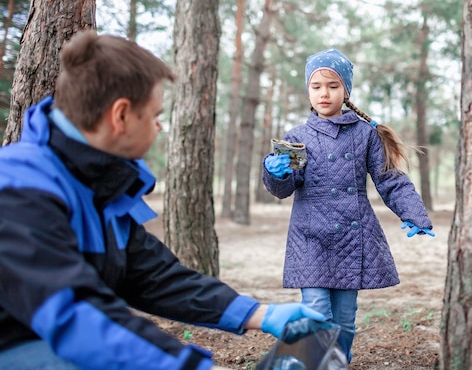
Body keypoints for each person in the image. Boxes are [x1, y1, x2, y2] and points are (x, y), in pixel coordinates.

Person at [0, 31, 325, 370]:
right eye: (155, 115)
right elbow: (74, 315)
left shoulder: (93, 184)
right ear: (121, 115)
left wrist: (259, 313)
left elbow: (152, 275)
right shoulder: (18, 188)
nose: (159, 126)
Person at [262, 48, 434, 362]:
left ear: (346, 90)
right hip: (310, 238)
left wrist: (414, 212)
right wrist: (275, 174)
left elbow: (389, 178)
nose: (324, 93)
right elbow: (285, 189)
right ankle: (317, 364)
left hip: (351, 238)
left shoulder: (365, 134)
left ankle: (339, 362)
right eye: (316, 87)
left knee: (343, 319)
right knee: (316, 313)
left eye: (332, 85)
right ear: (308, 92)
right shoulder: (296, 136)